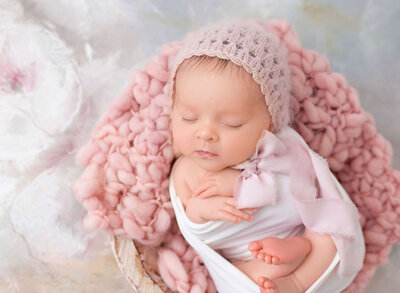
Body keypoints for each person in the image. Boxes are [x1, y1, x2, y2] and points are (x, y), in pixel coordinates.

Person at [168, 19, 365, 293]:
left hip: (299, 233)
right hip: (246, 258)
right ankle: (289, 262)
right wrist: (203, 209)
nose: (205, 134)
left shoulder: (279, 150)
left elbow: (309, 188)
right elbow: (191, 223)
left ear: (270, 124)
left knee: (334, 231)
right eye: (188, 118)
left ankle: (296, 278)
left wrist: (242, 182)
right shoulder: (187, 169)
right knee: (250, 281)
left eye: (232, 123)